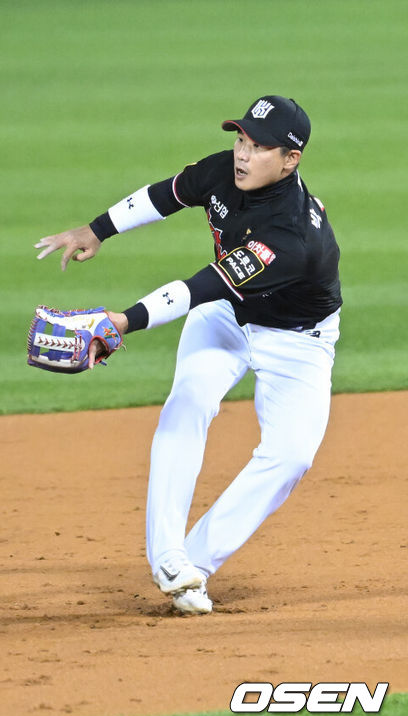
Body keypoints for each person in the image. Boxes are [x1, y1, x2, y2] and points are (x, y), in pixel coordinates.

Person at [34, 95, 341, 615]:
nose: (243, 154)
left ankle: (193, 561)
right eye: (241, 139)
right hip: (227, 315)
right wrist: (97, 229)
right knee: (189, 402)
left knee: (291, 456)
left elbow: (203, 284)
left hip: (297, 342)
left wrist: (122, 321)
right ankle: (170, 558)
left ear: (291, 159)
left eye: (260, 146)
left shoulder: (292, 235)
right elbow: (164, 196)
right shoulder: (225, 171)